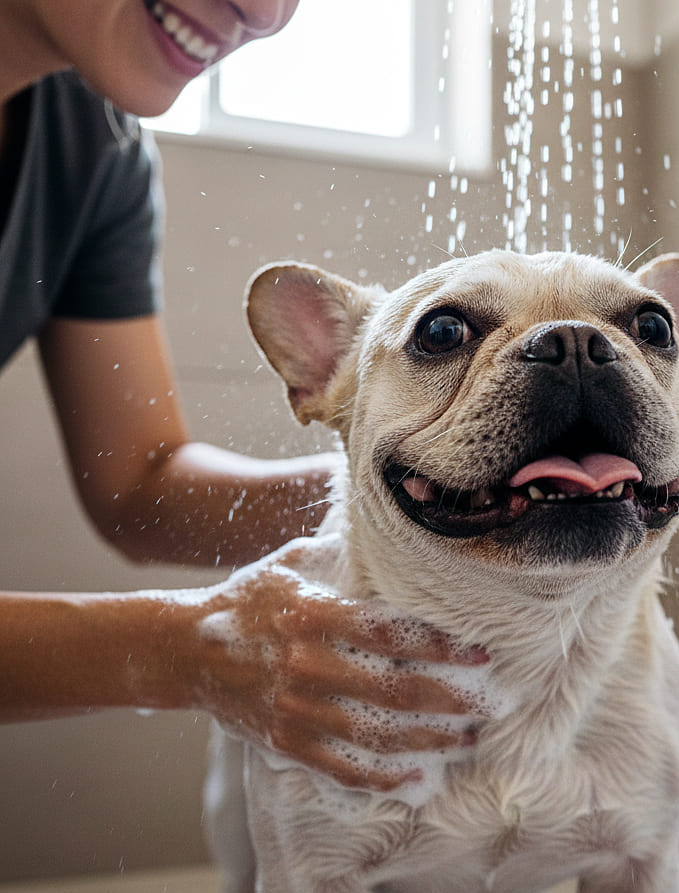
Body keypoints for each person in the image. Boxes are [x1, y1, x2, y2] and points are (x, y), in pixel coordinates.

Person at [0, 0, 487, 790]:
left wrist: (404, 488)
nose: (266, 13)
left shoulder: (98, 153)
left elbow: (140, 484)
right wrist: (185, 647)